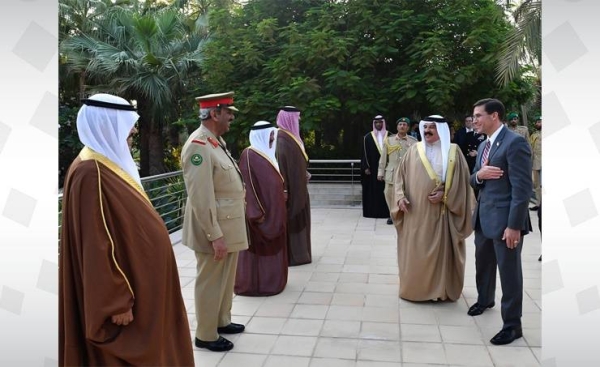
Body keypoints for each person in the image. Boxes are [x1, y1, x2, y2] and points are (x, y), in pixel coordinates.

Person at [59, 93, 194, 366]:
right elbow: (96, 244)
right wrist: (116, 301)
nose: (133, 131)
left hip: (142, 288)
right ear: (107, 124)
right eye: (128, 124)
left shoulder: (105, 165)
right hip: (126, 299)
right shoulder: (91, 172)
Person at [181, 91, 248, 352]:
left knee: (225, 278)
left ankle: (221, 320)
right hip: (214, 228)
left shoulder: (215, 142)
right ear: (213, 114)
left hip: (227, 225)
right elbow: (201, 196)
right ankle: (206, 335)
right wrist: (214, 234)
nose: (231, 116)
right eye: (228, 112)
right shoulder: (198, 146)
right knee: (210, 280)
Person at [469, 98, 533, 345]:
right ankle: (485, 299)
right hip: (484, 219)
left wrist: (514, 225)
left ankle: (512, 326)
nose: (474, 120)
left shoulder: (515, 143)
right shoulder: (484, 144)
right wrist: (480, 175)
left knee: (509, 274)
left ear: (494, 116)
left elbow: (522, 188)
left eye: (478, 115)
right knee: (482, 264)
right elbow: (473, 180)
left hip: (507, 221)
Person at [391, 115, 474, 302]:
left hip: (443, 215)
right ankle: (415, 289)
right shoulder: (413, 150)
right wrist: (400, 197)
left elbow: (462, 183)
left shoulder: (454, 152)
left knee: (441, 254)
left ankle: (440, 291)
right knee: (417, 252)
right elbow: (399, 178)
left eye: (432, 128)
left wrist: (445, 195)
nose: (427, 130)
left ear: (441, 130)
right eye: (425, 127)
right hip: (416, 214)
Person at [235, 121, 288, 296]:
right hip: (260, 216)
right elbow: (248, 186)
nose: (273, 138)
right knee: (257, 253)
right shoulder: (249, 155)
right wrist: (256, 213)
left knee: (273, 249)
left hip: (275, 212)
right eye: (270, 135)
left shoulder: (268, 155)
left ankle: (272, 281)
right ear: (261, 136)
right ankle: (256, 285)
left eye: (273, 135)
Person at [276, 106, 312, 266]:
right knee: (293, 221)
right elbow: (281, 167)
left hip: (299, 187)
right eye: (296, 117)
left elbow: (296, 163)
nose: (299, 120)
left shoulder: (292, 138)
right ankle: (293, 255)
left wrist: (305, 173)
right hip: (291, 192)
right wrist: (284, 189)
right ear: (289, 118)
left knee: (301, 220)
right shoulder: (282, 140)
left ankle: (301, 253)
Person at [377, 117, 418, 225]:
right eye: (400, 124)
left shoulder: (414, 142)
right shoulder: (389, 140)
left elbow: (417, 160)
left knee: (406, 194)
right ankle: (392, 215)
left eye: (405, 125)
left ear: (408, 127)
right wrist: (380, 173)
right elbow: (383, 158)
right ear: (397, 127)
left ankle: (404, 214)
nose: (402, 126)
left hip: (407, 174)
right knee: (389, 194)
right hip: (391, 172)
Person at [361, 115, 391, 218]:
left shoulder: (390, 136)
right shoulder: (367, 137)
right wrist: (366, 167)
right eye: (376, 122)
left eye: (380, 122)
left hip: (388, 168)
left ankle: (387, 212)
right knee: (373, 190)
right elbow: (364, 154)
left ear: (384, 123)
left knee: (387, 190)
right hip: (372, 169)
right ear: (374, 124)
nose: (378, 124)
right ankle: (372, 212)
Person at [529, 115, 542, 211]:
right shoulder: (533, 135)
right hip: (536, 163)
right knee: (537, 185)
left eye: (540, 121)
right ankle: (539, 203)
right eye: (537, 122)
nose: (539, 123)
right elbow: (531, 149)